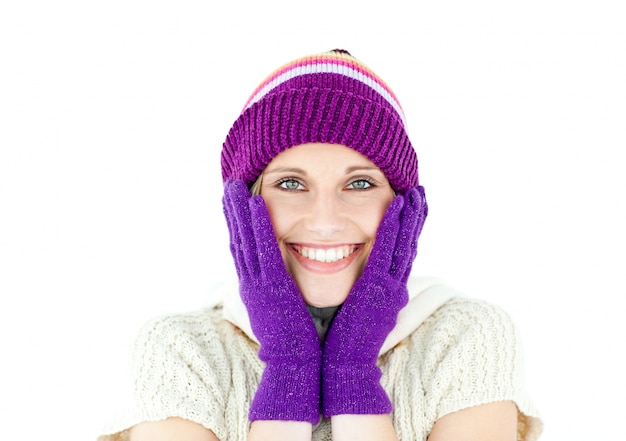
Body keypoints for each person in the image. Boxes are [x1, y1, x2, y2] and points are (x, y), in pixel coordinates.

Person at [98, 49, 543, 441]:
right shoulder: (180, 351)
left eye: (361, 182)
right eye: (291, 183)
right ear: (242, 206)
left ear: (403, 209)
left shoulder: (467, 337)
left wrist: (353, 371)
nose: (327, 222)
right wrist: (289, 368)